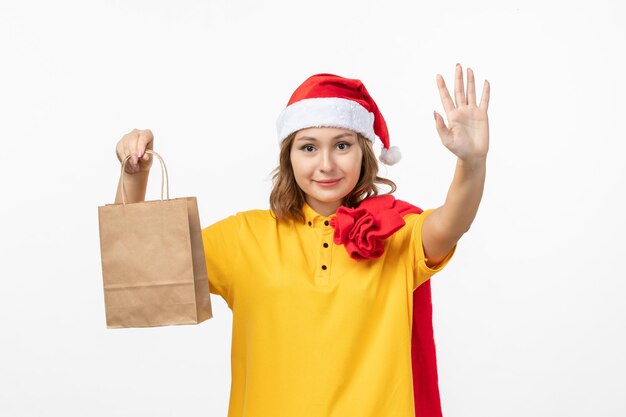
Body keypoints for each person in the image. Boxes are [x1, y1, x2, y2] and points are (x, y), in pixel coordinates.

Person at [113, 63, 490, 417]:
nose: (326, 164)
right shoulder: (245, 237)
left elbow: (451, 224)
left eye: (342, 145)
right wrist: (134, 177)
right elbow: (138, 268)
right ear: (288, 157)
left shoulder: (395, 232)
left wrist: (471, 163)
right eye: (308, 147)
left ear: (364, 153)